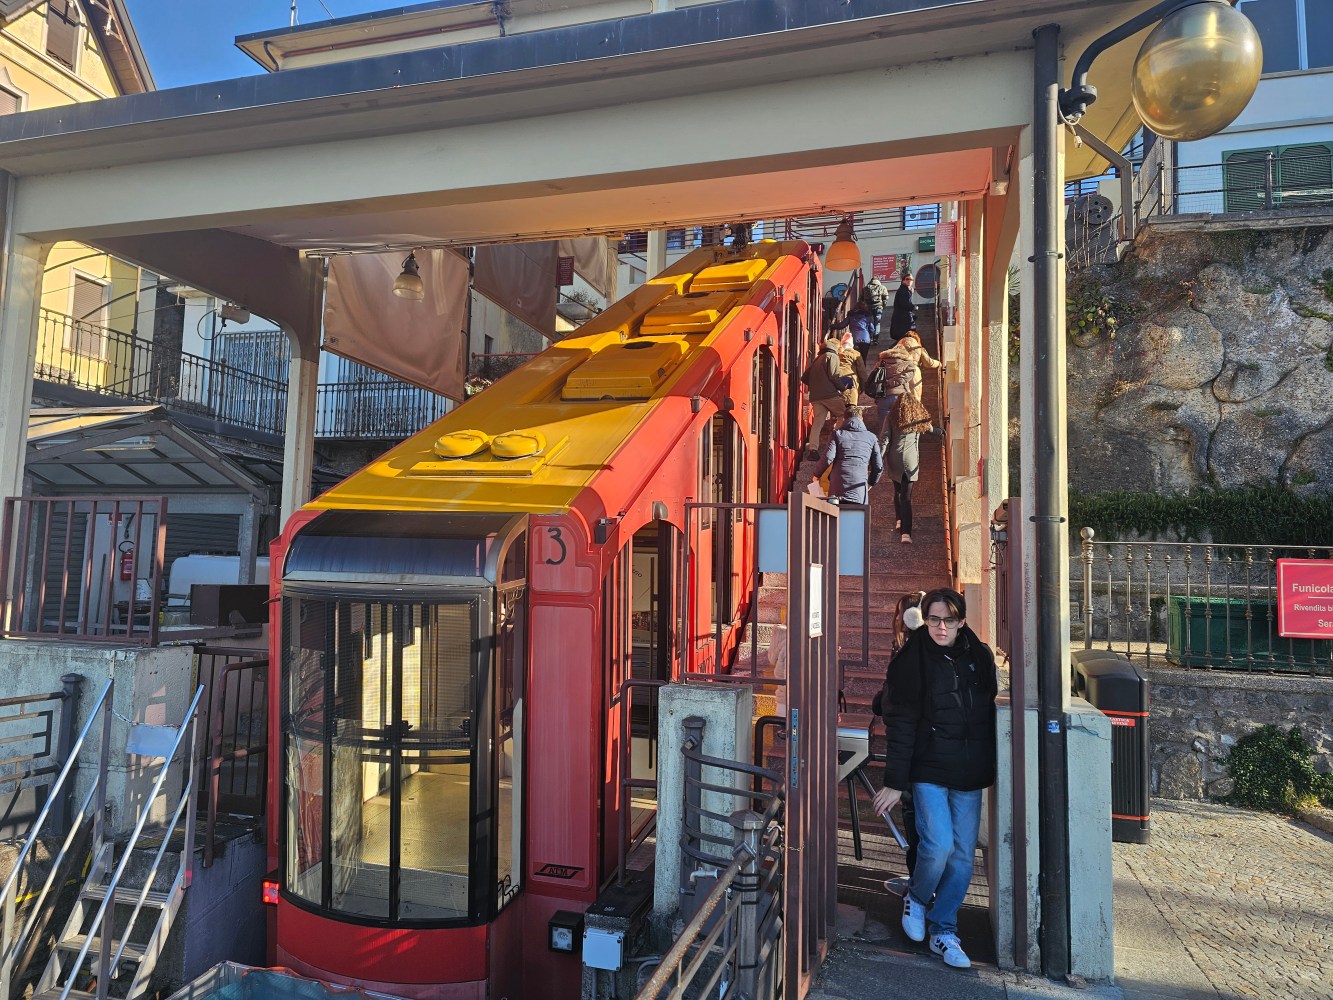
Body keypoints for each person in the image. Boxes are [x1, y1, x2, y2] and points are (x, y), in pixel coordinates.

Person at [872, 588, 998, 971]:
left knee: (962, 855)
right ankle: (917, 894)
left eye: (947, 620)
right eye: (932, 619)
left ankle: (943, 929)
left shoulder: (980, 656)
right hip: (927, 768)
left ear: (961, 621)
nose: (939, 627)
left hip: (968, 770)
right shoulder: (910, 661)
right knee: (938, 845)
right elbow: (901, 723)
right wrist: (895, 781)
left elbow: (987, 711)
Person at [879, 591, 927, 898]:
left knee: (916, 821)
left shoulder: (908, 654)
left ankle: (920, 888)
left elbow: (897, 705)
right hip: (923, 752)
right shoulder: (923, 651)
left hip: (915, 755)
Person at [883, 392, 933, 543]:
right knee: (906, 497)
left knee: (897, 490)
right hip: (910, 461)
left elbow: (885, 439)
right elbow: (930, 429)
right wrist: (940, 431)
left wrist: (877, 457)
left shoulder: (891, 418)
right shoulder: (918, 417)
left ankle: (899, 519)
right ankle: (906, 533)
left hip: (894, 459)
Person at [810, 405, 882, 505]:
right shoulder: (871, 437)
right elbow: (878, 466)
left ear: (844, 418)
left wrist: (816, 474)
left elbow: (828, 457)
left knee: (836, 517)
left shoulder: (837, 434)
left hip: (838, 487)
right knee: (858, 518)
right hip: (859, 487)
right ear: (861, 419)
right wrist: (871, 482)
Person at [800, 336, 846, 460]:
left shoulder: (818, 358)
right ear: (837, 347)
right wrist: (843, 388)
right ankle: (835, 441)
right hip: (829, 394)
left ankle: (813, 450)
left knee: (817, 423)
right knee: (844, 414)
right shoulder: (832, 356)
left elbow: (804, 377)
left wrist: (817, 385)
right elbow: (834, 376)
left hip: (816, 396)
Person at [892, 329, 943, 399]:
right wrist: (939, 364)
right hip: (913, 373)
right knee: (914, 400)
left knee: (900, 400)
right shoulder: (918, 348)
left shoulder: (896, 347)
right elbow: (929, 363)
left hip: (898, 372)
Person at [835, 332, 867, 407]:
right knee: (851, 405)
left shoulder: (836, 353)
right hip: (850, 381)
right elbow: (861, 371)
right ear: (851, 345)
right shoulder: (855, 354)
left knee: (838, 409)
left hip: (836, 381)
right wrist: (864, 387)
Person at [888, 273, 917, 343]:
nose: (909, 281)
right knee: (907, 335)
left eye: (911, 279)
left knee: (906, 336)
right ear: (903, 281)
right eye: (907, 279)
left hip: (903, 318)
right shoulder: (903, 290)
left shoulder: (907, 290)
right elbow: (904, 303)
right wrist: (913, 307)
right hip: (902, 320)